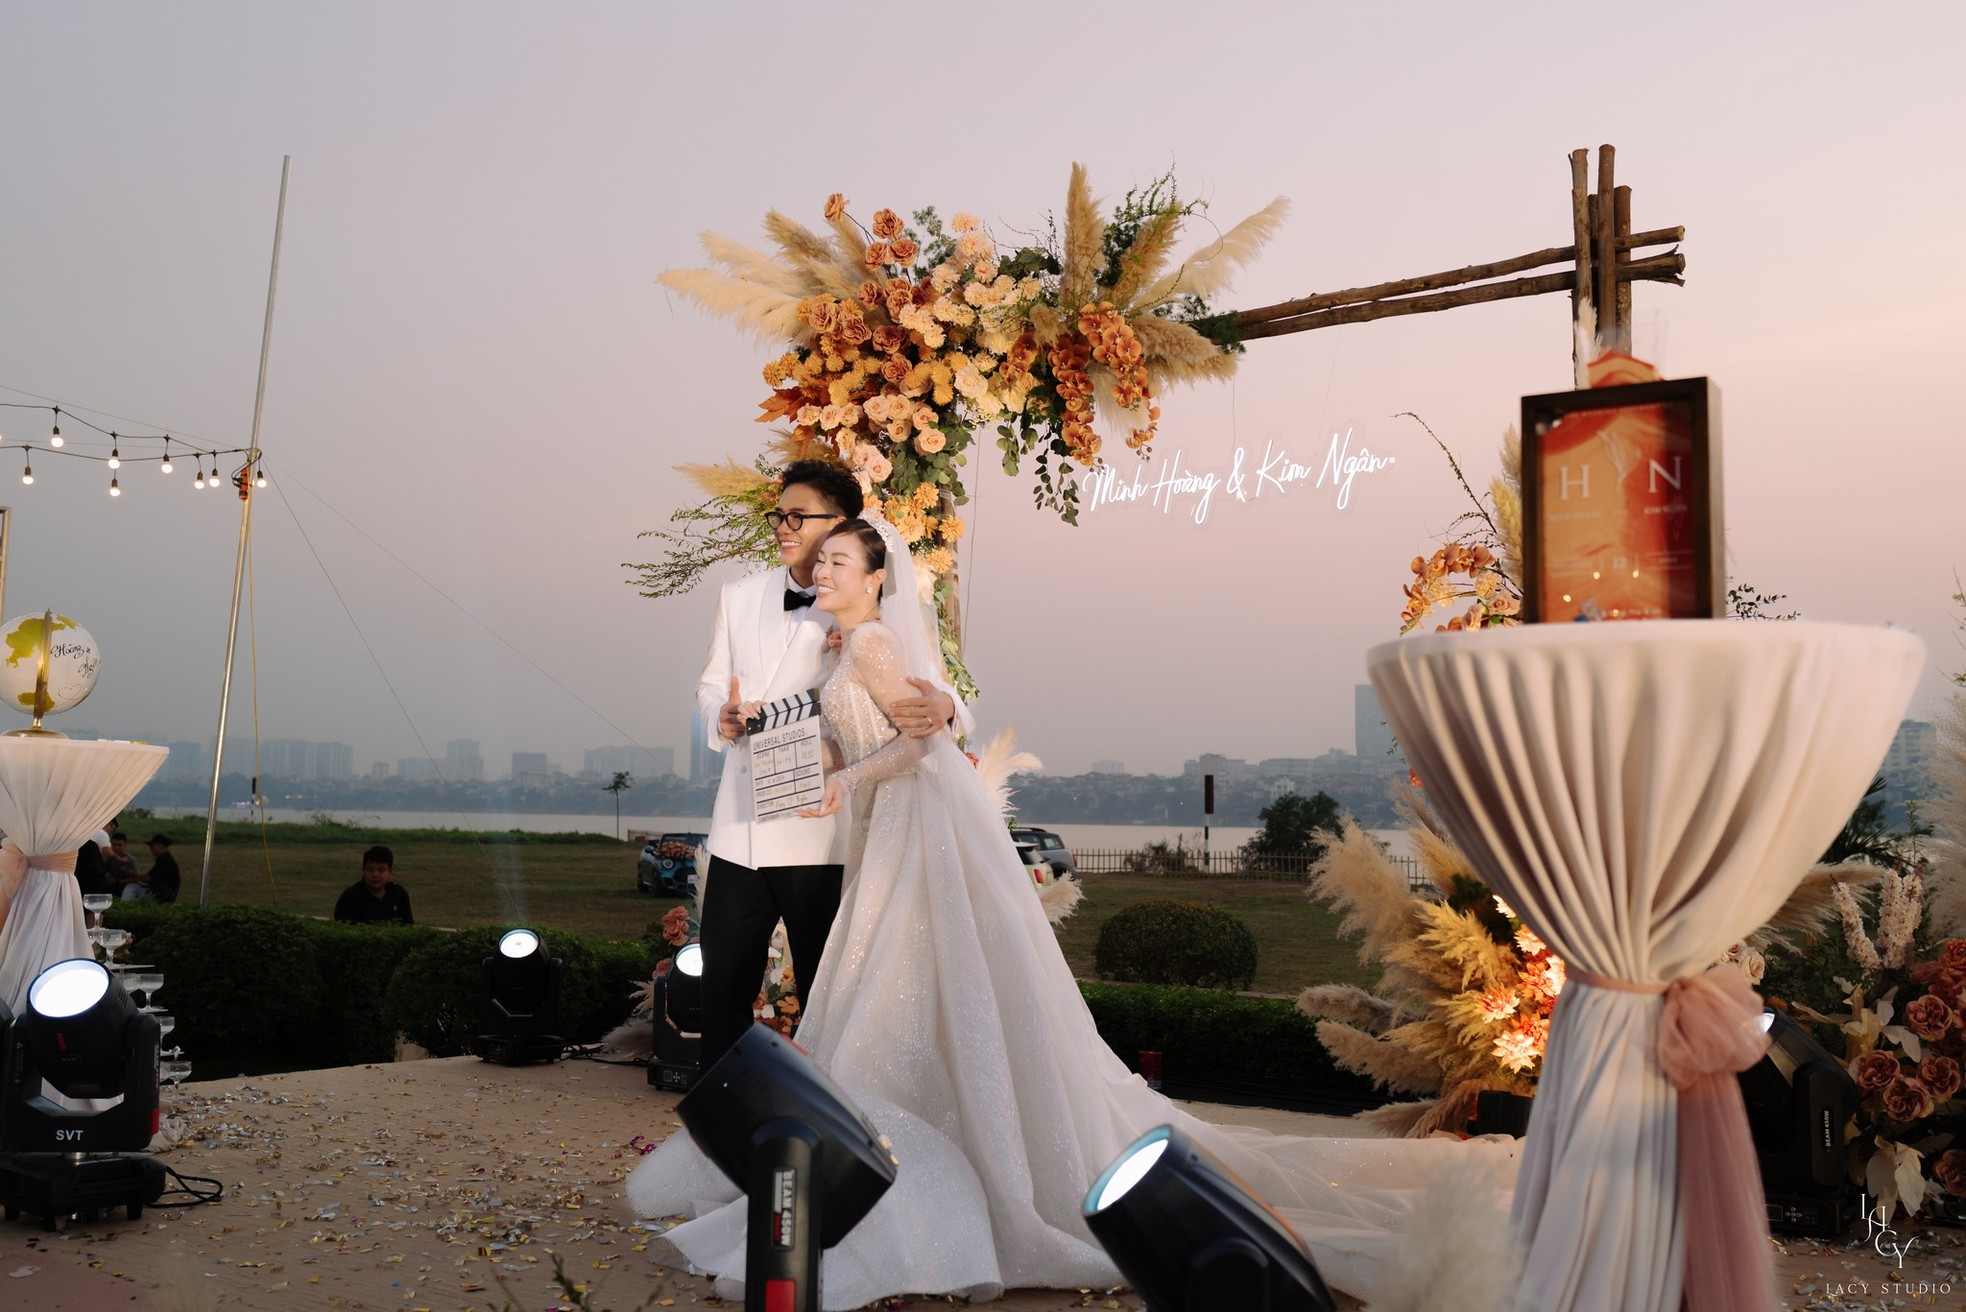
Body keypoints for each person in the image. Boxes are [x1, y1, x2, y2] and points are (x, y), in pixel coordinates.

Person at [628, 513, 1519, 1307]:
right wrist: (807, 754)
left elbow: (916, 745)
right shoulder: (845, 647)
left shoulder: (871, 645)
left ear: (874, 577)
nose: (820, 571)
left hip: (908, 818)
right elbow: (858, 733)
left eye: (836, 562)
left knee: (897, 972)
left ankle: (924, 1150)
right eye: (818, 562)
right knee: (896, 978)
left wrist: (844, 780)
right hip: (885, 824)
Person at [689, 460, 968, 1073]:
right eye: (779, 516)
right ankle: (725, 1111)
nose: (783, 528)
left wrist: (947, 706)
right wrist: (721, 716)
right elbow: (710, 684)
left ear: (838, 523)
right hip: (740, 825)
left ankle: (825, 1109)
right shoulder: (738, 596)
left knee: (828, 986)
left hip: (825, 828)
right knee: (722, 983)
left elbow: (934, 686)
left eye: (798, 516)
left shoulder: (860, 598)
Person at [332, 844, 413, 924]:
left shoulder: (398, 893)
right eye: (370, 870)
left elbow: (409, 926)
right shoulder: (350, 897)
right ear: (363, 870)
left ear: (390, 871)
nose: (375, 875)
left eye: (381, 870)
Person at [142, 834, 182, 904]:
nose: (150, 848)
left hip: (163, 896)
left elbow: (149, 879)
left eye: (152, 846)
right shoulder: (164, 859)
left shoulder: (165, 861)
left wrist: (133, 875)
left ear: (159, 846)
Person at [105, 831, 143, 899]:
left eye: (119, 845)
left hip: (126, 889)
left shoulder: (130, 860)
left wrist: (118, 881)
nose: (116, 848)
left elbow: (138, 880)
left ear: (125, 846)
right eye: (114, 845)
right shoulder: (109, 858)